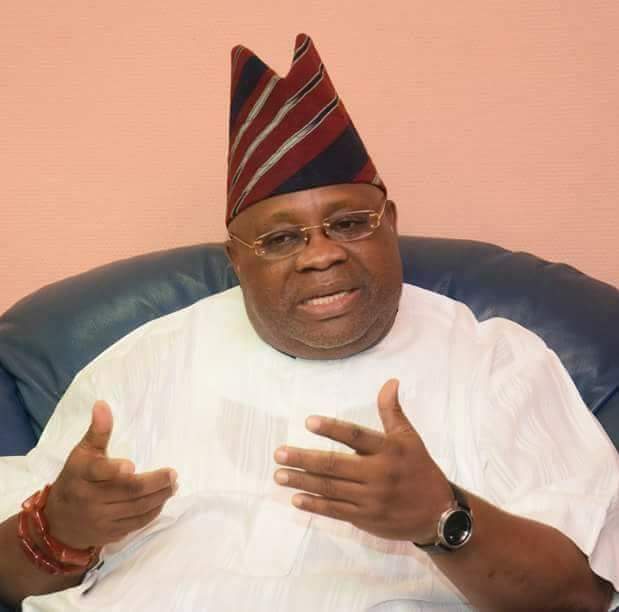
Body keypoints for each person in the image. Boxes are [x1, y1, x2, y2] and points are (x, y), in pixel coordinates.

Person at [0, 33, 617, 612]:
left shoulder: (496, 364)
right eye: (279, 239)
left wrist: (444, 518)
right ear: (236, 260)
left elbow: (582, 594)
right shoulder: (141, 362)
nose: (321, 255)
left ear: (390, 223)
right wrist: (56, 530)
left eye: (349, 224)